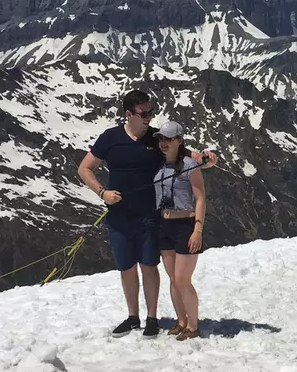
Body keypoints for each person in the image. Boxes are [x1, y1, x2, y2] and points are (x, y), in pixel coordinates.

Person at [77, 90, 217, 338]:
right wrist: (102, 193)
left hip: (151, 217)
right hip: (119, 216)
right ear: (129, 114)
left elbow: (184, 154)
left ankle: (152, 318)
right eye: (144, 113)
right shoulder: (110, 138)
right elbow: (85, 168)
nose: (149, 117)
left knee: (149, 266)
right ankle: (133, 317)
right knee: (126, 267)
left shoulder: (155, 138)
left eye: (151, 112)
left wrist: (205, 159)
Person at [152, 120, 206, 341]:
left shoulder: (190, 165)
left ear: (179, 141)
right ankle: (181, 320)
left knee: (183, 279)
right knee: (173, 279)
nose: (163, 143)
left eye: (168, 139)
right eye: (161, 139)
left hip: (185, 224)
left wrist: (198, 229)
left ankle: (193, 326)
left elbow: (200, 198)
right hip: (164, 224)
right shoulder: (159, 165)